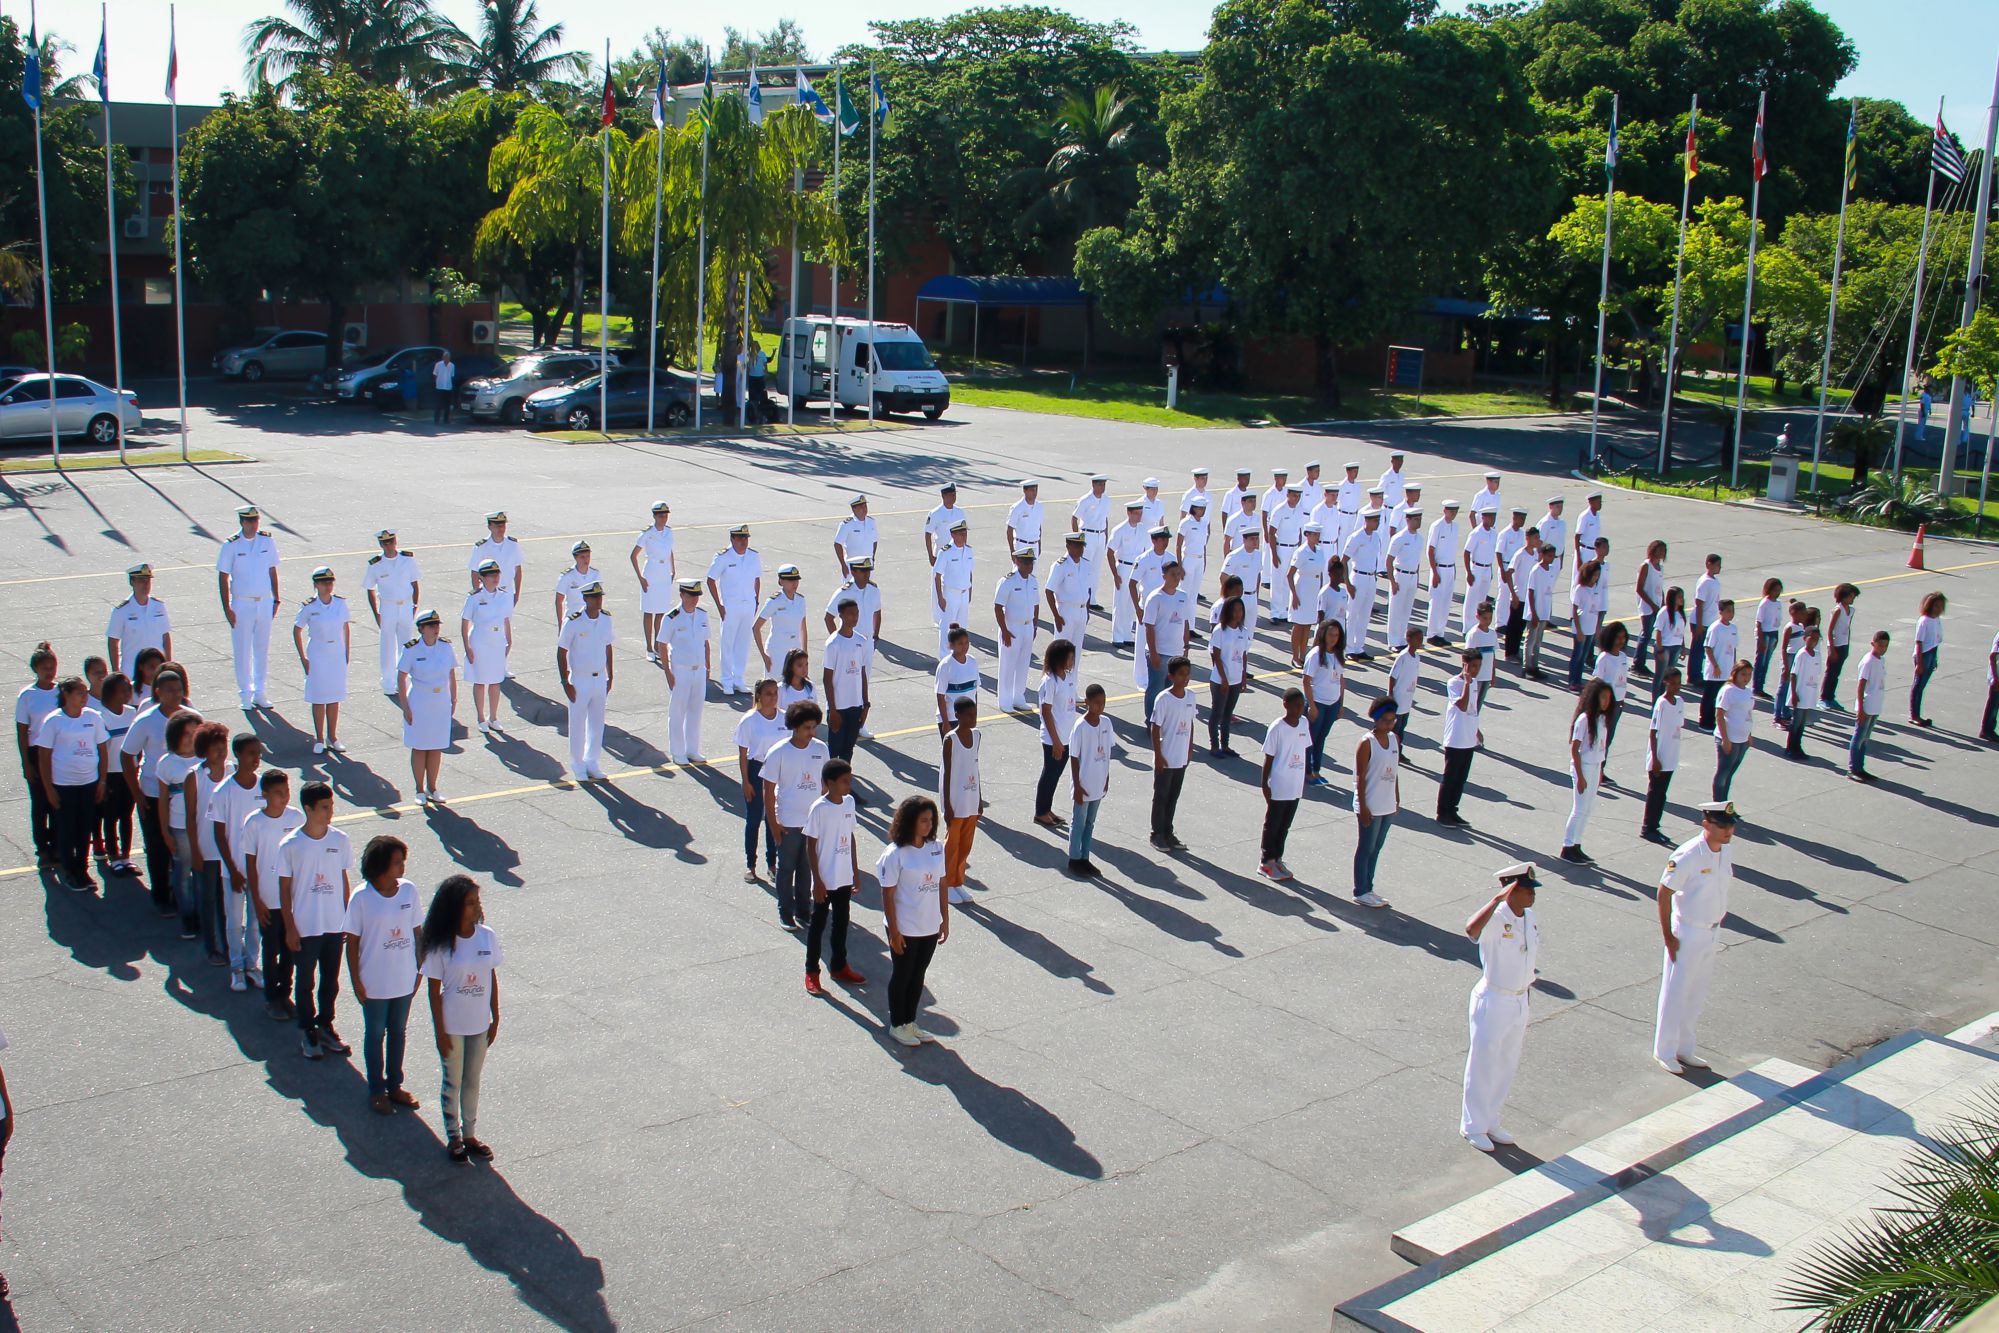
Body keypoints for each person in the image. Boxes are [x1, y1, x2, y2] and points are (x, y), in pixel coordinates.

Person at [418, 873, 502, 1163]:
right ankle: (453, 1135)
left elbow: (491, 975)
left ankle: (470, 1135)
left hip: (479, 1024)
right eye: (470, 902)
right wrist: (440, 1032)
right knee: (453, 1081)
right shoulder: (441, 945)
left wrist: (495, 1016)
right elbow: (433, 991)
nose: (477, 906)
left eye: (477, 901)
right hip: (453, 1024)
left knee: (472, 1080)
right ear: (455, 907)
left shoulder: (486, 936)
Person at [1652, 802, 1739, 1074]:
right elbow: (1664, 892)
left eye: (1730, 825)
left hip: (1712, 930)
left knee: (1696, 993)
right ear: (1706, 824)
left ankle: (1685, 1048)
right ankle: (1665, 1050)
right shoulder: (1688, 855)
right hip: (1688, 931)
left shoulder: (1724, 850)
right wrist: (1668, 936)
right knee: (1676, 992)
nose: (1728, 831)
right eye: (1722, 826)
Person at [1461, 862, 1540, 1152]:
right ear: (1512, 891)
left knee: (1506, 1063)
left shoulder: (1528, 917)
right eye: (1527, 890)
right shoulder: (1496, 918)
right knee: (1483, 1063)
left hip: (1519, 999)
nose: (1533, 895)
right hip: (1494, 999)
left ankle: (1491, 1119)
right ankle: (1473, 1125)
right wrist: (1496, 899)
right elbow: (1471, 929)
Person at [345, 835, 421, 1115]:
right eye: (397, 862)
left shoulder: (409, 891)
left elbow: (418, 932)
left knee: (398, 1031)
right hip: (374, 981)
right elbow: (352, 943)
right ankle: (377, 1090)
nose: (402, 867)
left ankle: (395, 1086)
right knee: (376, 1033)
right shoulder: (361, 897)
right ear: (380, 866)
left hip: (403, 978)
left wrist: (419, 968)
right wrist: (356, 981)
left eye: (403, 861)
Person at [279, 781, 353, 1061]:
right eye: (324, 807)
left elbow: (343, 880)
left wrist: (347, 918)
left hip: (334, 924)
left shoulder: (340, 840)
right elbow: (284, 890)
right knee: (305, 982)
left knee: (330, 981)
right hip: (306, 926)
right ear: (308, 809)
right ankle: (307, 1030)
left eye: (331, 805)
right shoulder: (291, 845)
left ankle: (325, 1024)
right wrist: (290, 927)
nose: (330, 811)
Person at [121, 665, 198, 912]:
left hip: (186, 795)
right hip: (154, 793)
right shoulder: (146, 720)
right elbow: (127, 755)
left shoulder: (192, 718)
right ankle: (161, 896)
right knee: (157, 846)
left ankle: (183, 894)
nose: (176, 694)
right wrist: (137, 793)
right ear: (158, 692)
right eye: (170, 690)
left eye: (179, 689)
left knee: (185, 846)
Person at [877, 795, 949, 1047]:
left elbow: (942, 883)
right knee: (903, 974)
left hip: (929, 925)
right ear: (909, 822)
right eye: (923, 821)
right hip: (905, 926)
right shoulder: (894, 854)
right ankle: (897, 1024)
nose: (928, 825)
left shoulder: (936, 847)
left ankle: (910, 1021)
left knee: (918, 974)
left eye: (931, 820)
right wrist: (894, 931)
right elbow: (888, 894)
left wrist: (944, 919)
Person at [34, 676, 108, 893]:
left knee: (84, 828)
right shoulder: (53, 721)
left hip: (88, 783)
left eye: (85, 693)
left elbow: (102, 749)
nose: (84, 697)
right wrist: (49, 788)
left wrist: (102, 780)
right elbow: (43, 755)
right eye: (79, 693)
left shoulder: (93, 717)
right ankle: (69, 870)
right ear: (66, 695)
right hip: (64, 784)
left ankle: (82, 869)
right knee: (67, 829)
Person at [801, 758, 866, 996]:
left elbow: (851, 837)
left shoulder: (849, 803)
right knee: (817, 926)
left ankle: (839, 966)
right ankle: (811, 971)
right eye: (844, 781)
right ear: (829, 783)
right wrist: (817, 881)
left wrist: (855, 871)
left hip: (843, 877)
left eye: (850, 780)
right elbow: (811, 845)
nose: (849, 785)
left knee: (841, 923)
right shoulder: (819, 808)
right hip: (825, 879)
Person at [763, 701, 830, 932]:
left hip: (812, 823)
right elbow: (768, 791)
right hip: (788, 823)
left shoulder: (820, 749)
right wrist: (774, 824)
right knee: (786, 869)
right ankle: (785, 912)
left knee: (806, 868)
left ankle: (804, 911)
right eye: (807, 728)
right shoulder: (778, 752)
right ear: (795, 727)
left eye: (814, 727)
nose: (812, 733)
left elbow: (825, 785)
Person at [243, 768, 303, 1019]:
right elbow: (250, 864)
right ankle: (271, 997)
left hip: (292, 900)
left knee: (290, 949)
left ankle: (284, 993)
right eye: (278, 793)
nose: (284, 796)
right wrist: (256, 900)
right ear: (265, 794)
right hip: (268, 899)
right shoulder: (254, 823)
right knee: (271, 949)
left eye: (286, 791)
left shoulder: (297, 818)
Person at [210, 733, 267, 990]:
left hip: (259, 872)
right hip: (233, 872)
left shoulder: (264, 787)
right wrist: (232, 870)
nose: (256, 759)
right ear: (238, 755)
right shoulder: (223, 791)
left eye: (259, 754)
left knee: (255, 922)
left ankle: (252, 965)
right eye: (251, 753)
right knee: (234, 922)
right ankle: (236, 968)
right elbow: (219, 835)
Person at [216, 505, 282, 709]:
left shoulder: (266, 541)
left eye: (256, 521)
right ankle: (245, 693)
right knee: (242, 649)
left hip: (264, 601)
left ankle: (259, 691)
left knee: (262, 648)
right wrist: (227, 607)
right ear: (242, 522)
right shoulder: (231, 545)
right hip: (242, 603)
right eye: (250, 521)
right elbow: (223, 577)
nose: (254, 525)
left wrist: (276, 598)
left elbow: (272, 570)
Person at [551, 580, 615, 781]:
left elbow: (608, 647)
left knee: (597, 723)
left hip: (599, 678)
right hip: (579, 679)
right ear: (586, 599)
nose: (598, 600)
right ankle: (577, 763)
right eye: (594, 597)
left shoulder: (606, 619)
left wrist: (610, 675)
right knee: (577, 724)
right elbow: (562, 651)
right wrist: (565, 682)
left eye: (600, 597)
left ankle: (592, 761)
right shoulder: (573, 621)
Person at [395, 609, 458, 804]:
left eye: (437, 625)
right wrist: (405, 707)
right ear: (421, 629)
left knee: (436, 746)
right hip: (420, 701)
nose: (435, 629)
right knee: (420, 747)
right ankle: (419, 790)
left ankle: (433, 787)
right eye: (431, 625)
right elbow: (401, 677)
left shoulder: (445, 647)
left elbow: (451, 674)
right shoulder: (412, 649)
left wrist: (453, 700)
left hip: (440, 700)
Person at [188, 722, 237, 964]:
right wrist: (194, 852)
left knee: (228, 901)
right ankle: (212, 948)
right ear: (204, 750)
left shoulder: (233, 771)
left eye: (223, 746)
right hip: (206, 848)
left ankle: (230, 946)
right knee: (208, 899)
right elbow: (190, 817)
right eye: (215, 747)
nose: (221, 751)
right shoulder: (195, 777)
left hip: (229, 849)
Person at [155, 714, 205, 940]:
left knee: (203, 872)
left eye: (194, 733)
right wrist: (165, 832)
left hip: (204, 826)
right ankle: (188, 917)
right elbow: (162, 801)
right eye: (185, 734)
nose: (190, 738)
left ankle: (204, 915)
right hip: (180, 827)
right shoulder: (167, 763)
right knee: (183, 872)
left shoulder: (206, 759)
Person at [1253, 688, 1310, 881]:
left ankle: (1277, 858)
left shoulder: (1304, 723)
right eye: (1296, 705)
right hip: (1279, 784)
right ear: (1285, 705)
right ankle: (1265, 861)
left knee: (1285, 825)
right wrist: (1265, 784)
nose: (1299, 709)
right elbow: (1269, 757)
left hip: (1295, 784)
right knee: (1273, 824)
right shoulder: (1277, 727)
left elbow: (1303, 751)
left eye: (1302, 705)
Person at [293, 567, 351, 754]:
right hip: (318, 652)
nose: (328, 586)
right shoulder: (309, 606)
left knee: (334, 696)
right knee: (319, 697)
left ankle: (332, 736)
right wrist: (303, 658)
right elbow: (297, 630)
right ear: (316, 585)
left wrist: (346, 652)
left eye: (330, 582)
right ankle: (319, 738)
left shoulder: (340, 603)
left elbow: (345, 627)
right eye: (324, 583)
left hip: (336, 651)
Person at [735, 679, 788, 884]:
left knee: (773, 818)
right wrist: (745, 781)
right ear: (759, 696)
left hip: (778, 772)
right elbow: (743, 754)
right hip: (757, 771)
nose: (773, 697)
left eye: (775, 693)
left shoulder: (784, 718)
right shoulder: (749, 720)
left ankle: (772, 864)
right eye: (768, 693)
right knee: (754, 819)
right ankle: (751, 865)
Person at [362, 530, 422, 696]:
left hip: (406, 605)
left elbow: (415, 583)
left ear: (395, 541)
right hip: (387, 607)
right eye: (385, 543)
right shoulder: (375, 564)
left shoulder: (407, 559)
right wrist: (376, 613)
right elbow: (370, 589)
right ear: (381, 544)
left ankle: (405, 682)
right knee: (387, 645)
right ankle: (388, 683)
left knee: (406, 645)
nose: (388, 545)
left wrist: (414, 605)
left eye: (391, 541)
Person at [658, 579, 711, 764]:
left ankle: (692, 749)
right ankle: (678, 751)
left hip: (699, 669)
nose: (694, 599)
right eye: (691, 595)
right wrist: (667, 672)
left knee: (695, 712)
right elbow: (662, 645)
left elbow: (706, 643)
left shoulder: (702, 615)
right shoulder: (671, 617)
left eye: (696, 596)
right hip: (680, 670)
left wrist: (708, 667)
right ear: (682, 595)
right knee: (678, 712)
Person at [1352, 700, 1399, 909]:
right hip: (1370, 804)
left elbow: (1394, 771)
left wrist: (1396, 797)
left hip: (1387, 803)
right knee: (1366, 848)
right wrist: (1363, 806)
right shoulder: (1367, 743)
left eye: (1392, 720)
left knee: (1377, 848)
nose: (1389, 724)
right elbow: (1360, 777)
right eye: (1385, 721)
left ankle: (1369, 888)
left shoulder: (1394, 739)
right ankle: (1360, 891)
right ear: (1376, 720)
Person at [707, 525, 764, 695]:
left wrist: (756, 600)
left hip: (748, 604)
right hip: (730, 606)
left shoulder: (753, 556)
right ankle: (727, 680)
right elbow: (710, 579)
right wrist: (720, 605)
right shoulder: (723, 557)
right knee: (728, 643)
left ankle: (739, 678)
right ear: (732, 539)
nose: (743, 541)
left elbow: (757, 579)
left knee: (743, 643)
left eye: (745, 538)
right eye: (740, 538)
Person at [1561, 681, 1613, 864]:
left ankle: (1577, 844)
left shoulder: (1602, 719)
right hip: (1583, 767)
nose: (1606, 701)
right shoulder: (1584, 719)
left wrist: (1600, 772)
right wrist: (1580, 777)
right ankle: (1567, 847)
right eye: (1603, 697)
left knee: (1588, 808)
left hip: (1595, 766)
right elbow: (1575, 749)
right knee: (1579, 808)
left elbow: (1601, 748)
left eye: (1609, 698)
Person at [1148, 656, 1196, 850]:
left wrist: (1190, 748)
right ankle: (1157, 833)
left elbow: (1190, 723)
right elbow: (1155, 727)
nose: (1185, 678)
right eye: (1181, 674)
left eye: (1187, 674)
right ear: (1171, 676)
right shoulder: (1164, 699)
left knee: (1173, 796)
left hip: (1181, 757)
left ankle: (1168, 831)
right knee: (1161, 796)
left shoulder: (1190, 696)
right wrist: (1158, 756)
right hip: (1166, 757)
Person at [460, 560, 513, 735]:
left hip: (497, 641)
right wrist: (467, 647)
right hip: (480, 642)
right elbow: (465, 621)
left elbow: (506, 619)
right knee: (480, 680)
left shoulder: (504, 595)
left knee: (496, 681)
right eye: (491, 575)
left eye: (497, 574)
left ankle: (494, 717)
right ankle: (481, 718)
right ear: (481, 578)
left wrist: (509, 640)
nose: (495, 578)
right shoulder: (474, 597)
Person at [940, 696, 983, 904]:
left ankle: (957, 881)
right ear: (957, 715)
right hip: (956, 802)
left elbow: (975, 767)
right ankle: (946, 884)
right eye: (968, 716)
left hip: (971, 800)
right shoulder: (951, 740)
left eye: (974, 715)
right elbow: (946, 774)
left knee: (966, 845)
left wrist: (979, 798)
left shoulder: (977, 735)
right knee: (952, 845)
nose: (973, 719)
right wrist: (947, 806)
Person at [1067, 684, 1114, 876]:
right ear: (1087, 702)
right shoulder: (1080, 727)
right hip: (1084, 784)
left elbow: (1108, 753)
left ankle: (1085, 857)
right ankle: (1074, 858)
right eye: (1096, 703)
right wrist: (1077, 786)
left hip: (1098, 782)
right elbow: (1074, 757)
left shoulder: (1107, 723)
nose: (1100, 706)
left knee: (1090, 823)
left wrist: (1106, 777)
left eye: (1103, 702)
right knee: (1078, 822)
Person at [93, 672, 137, 875]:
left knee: (127, 815)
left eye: (129, 689)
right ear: (110, 693)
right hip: (110, 774)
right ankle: (114, 856)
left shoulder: (132, 713)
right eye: (123, 690)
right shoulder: (100, 717)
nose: (128, 693)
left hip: (129, 773)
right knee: (110, 816)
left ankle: (126, 856)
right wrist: (101, 780)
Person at [1140, 558, 1194, 718]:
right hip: (1160, 653)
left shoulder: (1183, 596)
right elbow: (1149, 627)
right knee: (1155, 690)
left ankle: (1167, 721)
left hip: (1177, 653)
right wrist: (1153, 653)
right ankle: (1151, 721)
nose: (1176, 578)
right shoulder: (1155, 597)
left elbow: (1185, 623)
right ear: (1164, 576)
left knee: (1173, 691)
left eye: (1178, 574)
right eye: (1172, 575)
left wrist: (1186, 647)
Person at [1032, 638, 1078, 827]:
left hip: (1066, 736)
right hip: (1054, 739)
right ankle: (1040, 812)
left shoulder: (1068, 678)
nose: (1072, 661)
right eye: (1069, 657)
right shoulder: (1049, 682)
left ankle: (1047, 808)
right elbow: (1046, 711)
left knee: (1055, 775)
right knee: (1050, 774)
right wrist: (1056, 741)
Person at [1435, 650, 1482, 829]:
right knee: (1450, 777)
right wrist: (1467, 684)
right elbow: (1462, 705)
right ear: (1464, 664)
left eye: (1478, 666)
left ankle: (1452, 809)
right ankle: (1442, 813)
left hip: (1468, 738)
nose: (1476, 670)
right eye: (1473, 666)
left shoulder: (1474, 683)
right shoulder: (1454, 683)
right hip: (1456, 738)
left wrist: (1476, 730)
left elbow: (1472, 708)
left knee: (1461, 778)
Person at [822, 598, 870, 764]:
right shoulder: (833, 643)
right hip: (839, 707)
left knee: (848, 750)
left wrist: (865, 704)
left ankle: (845, 777)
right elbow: (827, 679)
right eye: (850, 614)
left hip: (855, 706)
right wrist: (833, 710)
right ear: (841, 615)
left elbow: (862, 673)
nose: (855, 617)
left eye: (857, 613)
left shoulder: (861, 641)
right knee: (834, 750)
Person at [1641, 667, 1686, 842]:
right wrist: (1655, 759)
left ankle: (1655, 826)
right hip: (1660, 757)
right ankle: (1648, 827)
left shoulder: (1680, 702)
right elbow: (1653, 732)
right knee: (1655, 793)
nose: (1676, 686)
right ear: (1665, 683)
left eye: (1678, 683)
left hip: (1671, 756)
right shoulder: (1661, 704)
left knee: (1662, 794)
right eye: (1672, 683)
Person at [993, 549, 1041, 712]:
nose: (1029, 566)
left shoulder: (1033, 581)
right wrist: (1004, 630)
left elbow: (1036, 605)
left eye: (1031, 562)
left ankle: (1018, 697)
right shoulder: (1008, 581)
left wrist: (1034, 626)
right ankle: (1005, 700)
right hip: (1012, 627)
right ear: (1017, 562)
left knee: (1023, 664)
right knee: (1008, 665)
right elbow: (998, 607)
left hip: (1027, 627)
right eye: (1026, 562)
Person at [632, 500, 678, 662]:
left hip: (664, 573)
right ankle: (649, 648)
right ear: (654, 516)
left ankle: (658, 646)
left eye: (665, 515)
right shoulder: (647, 533)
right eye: (660, 516)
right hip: (651, 573)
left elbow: (669, 551)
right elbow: (633, 555)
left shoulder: (668, 532)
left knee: (661, 611)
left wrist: (673, 569)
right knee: (649, 611)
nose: (663, 518)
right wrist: (641, 577)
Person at [106, 562, 172, 675]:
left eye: (148, 580)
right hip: (132, 672)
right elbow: (113, 641)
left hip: (157, 671)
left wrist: (168, 665)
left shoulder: (159, 606)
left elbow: (166, 637)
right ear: (132, 582)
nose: (146, 585)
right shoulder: (121, 611)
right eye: (141, 580)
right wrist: (116, 672)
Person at [1301, 618, 1345, 784]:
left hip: (1332, 704)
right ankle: (1306, 772)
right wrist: (1312, 706)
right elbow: (1306, 681)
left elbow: (1341, 680)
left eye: (1337, 635)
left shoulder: (1338, 654)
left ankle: (1316, 770)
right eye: (1331, 634)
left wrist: (1341, 704)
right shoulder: (1315, 655)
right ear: (1323, 635)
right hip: (1318, 703)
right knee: (1311, 738)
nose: (1334, 638)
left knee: (1322, 738)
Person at [931, 519, 977, 660]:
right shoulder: (945, 552)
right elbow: (937, 575)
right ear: (953, 534)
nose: (964, 536)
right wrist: (940, 597)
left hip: (964, 593)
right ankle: (944, 657)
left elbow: (970, 572)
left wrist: (970, 591)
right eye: (961, 534)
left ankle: (960, 656)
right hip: (950, 594)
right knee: (947, 627)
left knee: (962, 627)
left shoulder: (968, 550)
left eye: (965, 533)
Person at [1106, 500, 1150, 648]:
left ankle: (1127, 634)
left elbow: (1147, 551)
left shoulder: (1143, 530)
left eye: (1140, 513)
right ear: (1129, 513)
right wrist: (1115, 574)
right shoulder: (1120, 530)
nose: (1139, 516)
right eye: (1136, 513)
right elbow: (1110, 552)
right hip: (1123, 567)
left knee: (1132, 603)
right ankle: (1117, 636)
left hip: (1137, 568)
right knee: (1120, 603)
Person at [1589, 621, 1632, 768]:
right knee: (1602, 739)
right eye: (1618, 637)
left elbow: (1623, 680)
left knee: (1609, 739)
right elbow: (1597, 681)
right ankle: (1597, 768)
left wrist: (1622, 699)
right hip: (1606, 705)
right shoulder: (1604, 658)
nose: (1621, 641)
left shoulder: (1623, 657)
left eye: (1623, 637)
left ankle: (1601, 768)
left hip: (1618, 704)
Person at [753, 564, 808, 677]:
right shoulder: (774, 601)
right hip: (777, 651)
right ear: (781, 581)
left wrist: (805, 653)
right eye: (790, 580)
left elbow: (803, 627)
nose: (794, 583)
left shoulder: (800, 600)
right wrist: (764, 655)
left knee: (794, 684)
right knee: (774, 684)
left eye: (796, 580)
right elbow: (756, 628)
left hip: (795, 649)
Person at [1712, 660, 1755, 801]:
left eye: (1749, 674)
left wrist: (1749, 734)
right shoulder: (1728, 691)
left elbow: (1747, 713)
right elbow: (1719, 714)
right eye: (1743, 674)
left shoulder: (1748, 691)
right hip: (1729, 739)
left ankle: (1725, 805)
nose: (1746, 678)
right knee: (1723, 773)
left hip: (1742, 739)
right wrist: (1725, 739)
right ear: (1735, 674)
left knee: (1730, 773)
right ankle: (1718, 806)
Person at [1850, 631, 1891, 779]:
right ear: (1873, 644)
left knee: (1865, 739)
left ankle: (1860, 767)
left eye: (1885, 646)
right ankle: (1853, 769)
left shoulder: (1881, 660)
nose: (1883, 649)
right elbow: (1861, 685)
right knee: (1859, 737)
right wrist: (1861, 709)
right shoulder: (1868, 661)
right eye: (1880, 645)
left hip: (1875, 706)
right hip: (1867, 706)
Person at [467, 511, 526, 611]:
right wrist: (478, 596)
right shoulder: (481, 547)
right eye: (497, 526)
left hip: (507, 593)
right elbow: (475, 573)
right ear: (489, 526)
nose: (501, 529)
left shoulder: (513, 545)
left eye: (503, 526)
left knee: (505, 621)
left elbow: (518, 571)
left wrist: (516, 595)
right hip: (487, 594)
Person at [1070, 475, 1113, 611]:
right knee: (1084, 568)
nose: (1102, 487)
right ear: (1093, 485)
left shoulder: (1106, 500)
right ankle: (1081, 597)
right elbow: (1074, 518)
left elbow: (1105, 519)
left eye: (1104, 484)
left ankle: (1092, 599)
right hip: (1087, 535)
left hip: (1100, 535)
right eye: (1100, 484)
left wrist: (1105, 535)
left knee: (1096, 568)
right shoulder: (1085, 500)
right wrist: (1077, 539)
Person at [1385, 507, 1424, 649]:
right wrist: (1392, 581)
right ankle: (1393, 641)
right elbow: (1389, 560)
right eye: (1416, 519)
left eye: (1420, 519)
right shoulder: (1400, 537)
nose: (1418, 522)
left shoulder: (1420, 538)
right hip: (1400, 576)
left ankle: (1402, 639)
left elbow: (1417, 560)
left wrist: (1417, 578)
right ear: (1408, 520)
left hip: (1412, 576)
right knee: (1396, 610)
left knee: (1406, 610)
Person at [1425, 499, 1463, 645]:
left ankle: (1440, 632)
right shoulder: (1437, 526)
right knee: (1436, 602)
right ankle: (1432, 633)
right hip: (1439, 568)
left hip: (1450, 568)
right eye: (1450, 511)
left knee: (1446, 602)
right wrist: (1434, 572)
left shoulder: (1456, 527)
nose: (1453, 514)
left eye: (1455, 511)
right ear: (1444, 511)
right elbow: (1430, 550)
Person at [1699, 600, 1739, 732]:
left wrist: (1734, 666)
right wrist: (1715, 666)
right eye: (1728, 611)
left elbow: (1733, 649)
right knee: (1710, 697)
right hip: (1715, 671)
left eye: (1732, 611)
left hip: (1727, 670)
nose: (1731, 614)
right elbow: (1708, 648)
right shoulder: (1715, 628)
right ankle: (1705, 722)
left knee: (1721, 697)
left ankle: (1717, 721)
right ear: (1720, 612)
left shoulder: (1733, 628)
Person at [1785, 623, 1824, 760]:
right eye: (1811, 638)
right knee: (1796, 722)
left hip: (1809, 694)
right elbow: (1793, 674)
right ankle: (1790, 747)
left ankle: (1798, 746)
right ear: (1805, 638)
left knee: (1802, 723)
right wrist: (1794, 694)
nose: (1814, 641)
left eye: (1816, 639)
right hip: (1800, 693)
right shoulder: (1801, 654)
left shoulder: (1817, 655)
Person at [1522, 542, 1557, 680]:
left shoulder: (1551, 570)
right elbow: (1530, 592)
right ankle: (1526, 667)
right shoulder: (1536, 570)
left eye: (1553, 556)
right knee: (1530, 640)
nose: (1551, 559)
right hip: (1535, 612)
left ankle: (1535, 666)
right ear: (1542, 555)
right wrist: (1534, 613)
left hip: (1544, 611)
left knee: (1538, 641)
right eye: (1549, 556)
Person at [1910, 590, 1944, 726]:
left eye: (1941, 606)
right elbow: (1919, 642)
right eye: (1936, 606)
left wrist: (1935, 658)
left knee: (1922, 686)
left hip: (1932, 652)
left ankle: (1917, 714)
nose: (1939, 609)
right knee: (1918, 685)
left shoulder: (1937, 620)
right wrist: (1919, 663)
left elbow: (1936, 641)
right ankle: (1914, 715)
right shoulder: (1924, 621)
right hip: (1923, 654)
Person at [1822, 583, 1858, 711]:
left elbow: (1848, 629)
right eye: (1851, 596)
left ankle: (1831, 697)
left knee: (1836, 674)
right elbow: (1830, 630)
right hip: (1835, 646)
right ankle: (1824, 698)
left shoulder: (1851, 611)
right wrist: (1831, 649)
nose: (1853, 599)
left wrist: (1847, 645)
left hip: (1843, 645)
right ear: (1843, 597)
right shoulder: (1838, 610)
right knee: (1830, 672)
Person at [1566, 562, 1602, 690]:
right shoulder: (1580, 589)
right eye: (1594, 575)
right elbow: (1574, 611)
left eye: (1598, 575)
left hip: (1591, 628)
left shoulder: (1596, 589)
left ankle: (1578, 680)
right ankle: (1572, 681)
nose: (1596, 577)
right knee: (1577, 655)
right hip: (1581, 627)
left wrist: (1597, 628)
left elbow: (1597, 610)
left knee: (1584, 656)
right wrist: (1579, 630)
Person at [1689, 553, 1723, 690]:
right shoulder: (1705, 582)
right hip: (1701, 622)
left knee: (1702, 651)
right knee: (1697, 650)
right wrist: (1699, 624)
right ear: (1709, 564)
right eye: (1717, 565)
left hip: (1709, 621)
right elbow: (1699, 603)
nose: (1719, 567)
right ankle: (1694, 676)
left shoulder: (1714, 581)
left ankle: (1698, 674)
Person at [1633, 541, 1666, 675]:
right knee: (1646, 634)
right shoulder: (1646, 566)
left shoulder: (1660, 567)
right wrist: (1652, 605)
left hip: (1657, 606)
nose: (1662, 553)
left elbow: (1660, 588)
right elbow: (1639, 589)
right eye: (1659, 550)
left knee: (1649, 634)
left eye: (1664, 550)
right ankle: (1638, 664)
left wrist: (1662, 604)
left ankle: (1640, 663)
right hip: (1647, 607)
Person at [1388, 627, 1423, 753]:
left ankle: (1399, 751)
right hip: (1399, 698)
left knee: (1402, 726)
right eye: (1417, 638)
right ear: (1409, 639)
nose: (1420, 641)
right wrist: (1390, 694)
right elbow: (1392, 676)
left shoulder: (1417, 657)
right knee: (1395, 728)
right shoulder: (1403, 656)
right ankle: (1392, 751)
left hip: (1407, 699)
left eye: (1421, 638)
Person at [1652, 587, 1688, 703]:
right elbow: (1658, 631)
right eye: (1679, 597)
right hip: (1665, 647)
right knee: (1661, 677)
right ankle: (1657, 702)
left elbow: (1681, 632)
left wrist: (1683, 647)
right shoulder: (1664, 611)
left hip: (1676, 647)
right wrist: (1660, 650)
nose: (1682, 599)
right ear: (1672, 598)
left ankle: (1667, 700)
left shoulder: (1680, 613)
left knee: (1670, 677)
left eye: (1682, 597)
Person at [552, 541, 598, 627]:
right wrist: (561, 624)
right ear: (575, 557)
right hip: (572, 621)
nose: (586, 559)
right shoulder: (567, 576)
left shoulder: (595, 574)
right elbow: (559, 600)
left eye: (588, 556)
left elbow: (598, 598)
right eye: (582, 557)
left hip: (591, 621)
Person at [832, 494, 877, 583]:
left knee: (868, 589)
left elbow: (874, 541)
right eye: (861, 507)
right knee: (851, 590)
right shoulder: (847, 524)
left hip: (867, 565)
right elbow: (837, 544)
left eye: (865, 506)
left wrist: (873, 557)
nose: (864, 509)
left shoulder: (871, 522)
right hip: (853, 567)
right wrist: (843, 565)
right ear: (854, 508)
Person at [1176, 496, 1211, 605]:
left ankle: (1191, 616)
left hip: (1200, 560)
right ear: (1194, 508)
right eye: (1201, 508)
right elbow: (1178, 545)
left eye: (1204, 508)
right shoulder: (1186, 522)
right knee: (1184, 593)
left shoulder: (1205, 522)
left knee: (1194, 595)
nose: (1203, 510)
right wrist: (1180, 566)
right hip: (1189, 559)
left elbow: (1203, 544)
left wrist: (1204, 561)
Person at [1004, 479, 1045, 559]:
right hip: (1021, 545)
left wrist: (1039, 544)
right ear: (1025, 491)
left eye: (1036, 490)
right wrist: (1012, 551)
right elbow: (1010, 529)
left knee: (1034, 567)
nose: (1035, 493)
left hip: (1035, 546)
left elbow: (1038, 526)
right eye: (1032, 490)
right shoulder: (1017, 508)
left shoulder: (1039, 506)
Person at [431, 349, 455, 423]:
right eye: (445, 357)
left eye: (448, 357)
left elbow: (452, 376)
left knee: (447, 405)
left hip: (448, 387)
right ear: (443, 357)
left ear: (449, 358)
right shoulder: (438, 364)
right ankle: (436, 420)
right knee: (438, 404)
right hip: (439, 387)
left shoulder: (452, 365)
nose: (446, 359)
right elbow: (435, 374)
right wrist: (436, 383)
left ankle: (446, 420)